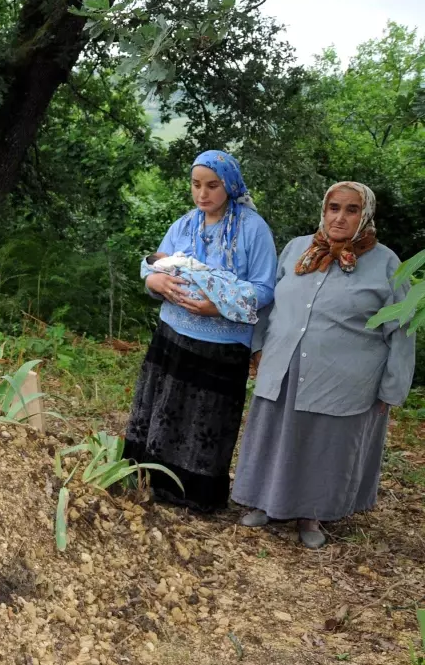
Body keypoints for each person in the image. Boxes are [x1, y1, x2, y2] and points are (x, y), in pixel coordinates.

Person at [232, 182, 415, 548]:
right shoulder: (298, 249)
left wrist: (392, 388)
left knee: (323, 445)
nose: (340, 217)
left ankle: (311, 515)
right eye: (334, 207)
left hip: (344, 378)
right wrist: (258, 345)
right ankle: (265, 502)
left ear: (366, 215)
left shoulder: (387, 264)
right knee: (275, 435)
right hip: (283, 364)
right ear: (324, 209)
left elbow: (402, 330)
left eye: (351, 210)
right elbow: (269, 302)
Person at [124, 150, 278, 512]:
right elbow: (154, 267)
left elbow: (265, 288)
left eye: (212, 185)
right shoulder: (185, 225)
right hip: (173, 335)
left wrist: (219, 305)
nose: (202, 194)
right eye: (196, 185)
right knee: (163, 407)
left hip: (221, 346)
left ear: (231, 185)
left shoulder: (254, 230)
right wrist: (157, 282)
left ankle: (194, 495)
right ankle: (149, 480)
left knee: (205, 419)